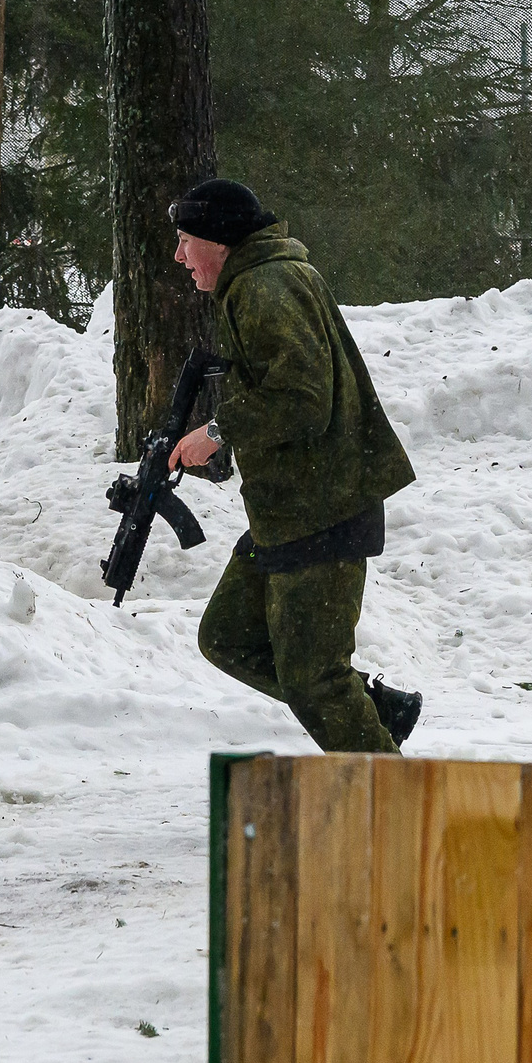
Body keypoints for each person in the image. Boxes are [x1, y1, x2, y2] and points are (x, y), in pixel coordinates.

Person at [163, 177, 423, 753]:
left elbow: (304, 398)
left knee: (315, 679)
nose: (179, 256)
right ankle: (373, 711)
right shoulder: (258, 280)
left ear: (219, 240)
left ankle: (390, 798)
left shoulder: (265, 286)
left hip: (322, 509)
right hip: (292, 508)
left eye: (185, 240)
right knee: (228, 636)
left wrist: (218, 430)